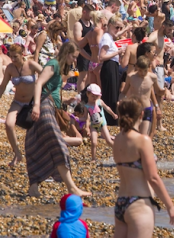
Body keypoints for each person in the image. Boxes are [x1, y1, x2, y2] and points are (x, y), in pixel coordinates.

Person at [106, 98, 174, 238]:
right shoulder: (143, 140)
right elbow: (153, 177)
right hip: (139, 204)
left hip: (121, 202)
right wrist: (170, 206)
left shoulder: (118, 139)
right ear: (140, 116)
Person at [26, 42, 90, 198]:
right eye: (73, 57)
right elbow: (39, 82)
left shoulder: (59, 68)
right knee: (58, 144)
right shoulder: (53, 64)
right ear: (67, 53)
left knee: (37, 144)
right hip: (43, 106)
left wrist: (64, 102)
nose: (74, 61)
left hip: (49, 106)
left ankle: (33, 186)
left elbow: (52, 88)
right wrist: (36, 106)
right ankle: (72, 188)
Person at [0, 44, 42, 166]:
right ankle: (17, 154)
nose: (13, 59)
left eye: (15, 57)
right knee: (8, 124)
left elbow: (46, 74)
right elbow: (3, 86)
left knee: (38, 127)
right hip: (18, 101)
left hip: (33, 100)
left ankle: (40, 154)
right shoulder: (10, 68)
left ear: (22, 54)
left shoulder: (31, 64)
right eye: (11, 56)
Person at [84, 84, 117, 161]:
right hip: (93, 125)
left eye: (96, 96)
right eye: (93, 95)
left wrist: (113, 114)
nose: (94, 98)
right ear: (87, 94)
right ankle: (93, 158)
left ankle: (118, 151)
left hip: (102, 124)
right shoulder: (87, 106)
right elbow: (86, 118)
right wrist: (85, 126)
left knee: (108, 140)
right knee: (94, 142)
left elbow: (107, 108)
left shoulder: (99, 102)